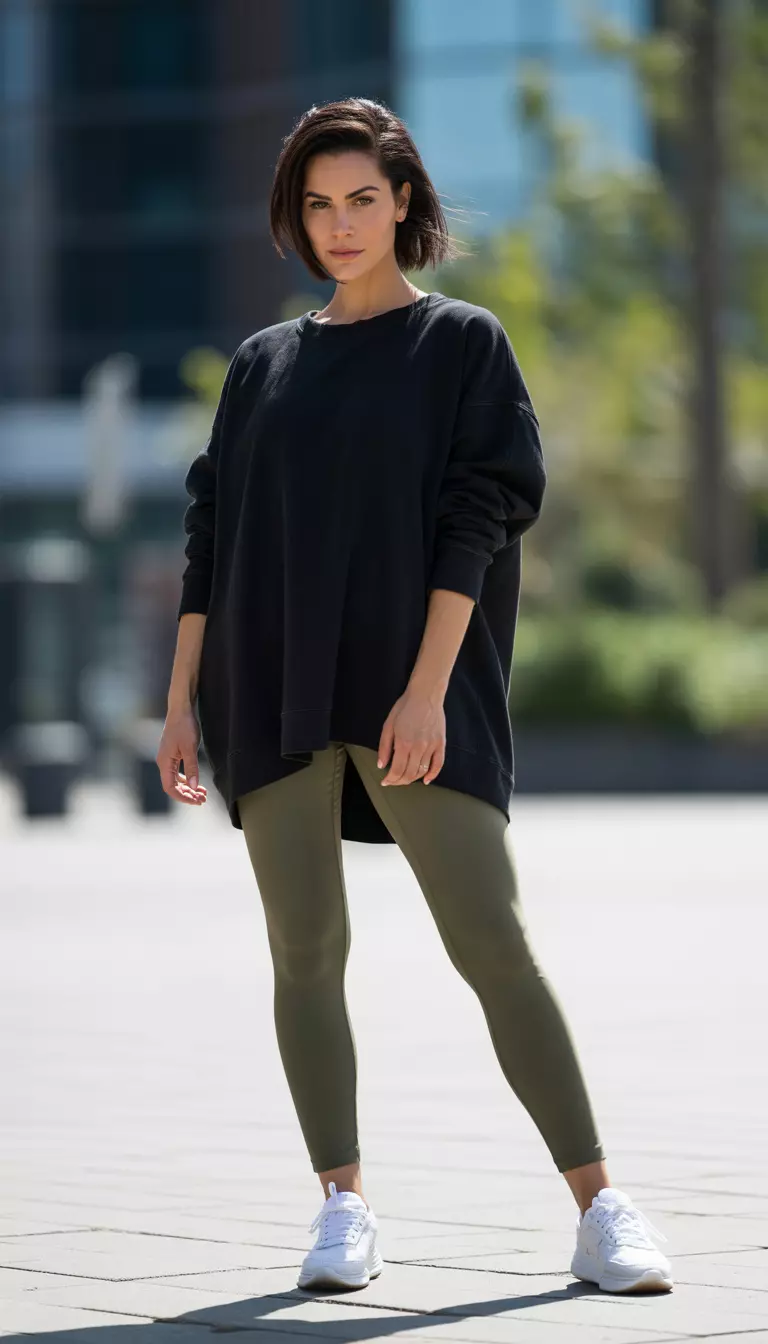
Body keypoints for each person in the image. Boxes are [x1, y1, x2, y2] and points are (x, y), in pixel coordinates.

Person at [158, 97, 673, 1298]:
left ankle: (602, 1207)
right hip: (269, 689)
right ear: (296, 217)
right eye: (318, 205)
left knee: (490, 937)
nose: (340, 225)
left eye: (363, 200)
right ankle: (342, 1204)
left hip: (415, 694)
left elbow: (477, 519)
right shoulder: (262, 366)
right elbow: (210, 541)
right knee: (304, 950)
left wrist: (430, 690)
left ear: (403, 205)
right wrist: (179, 701)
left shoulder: (462, 345)